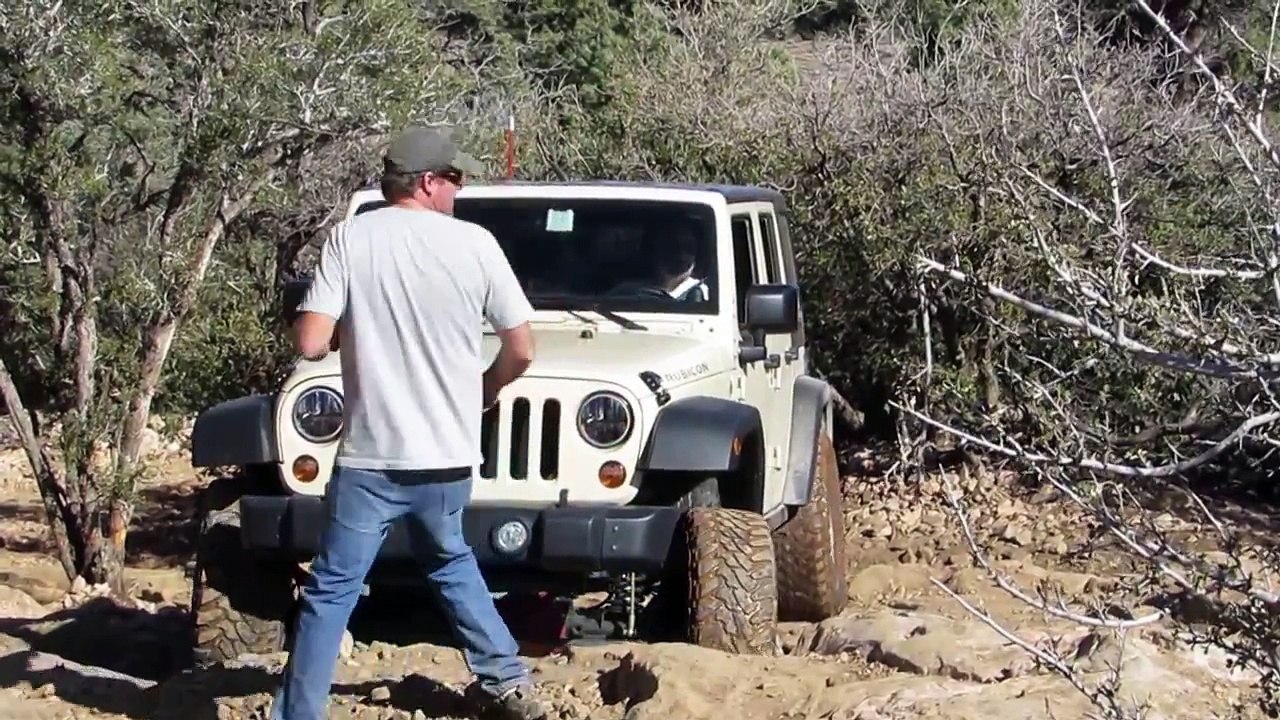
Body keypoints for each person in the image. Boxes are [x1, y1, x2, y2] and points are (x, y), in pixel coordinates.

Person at [270, 125, 548, 720]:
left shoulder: (351, 238)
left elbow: (312, 341)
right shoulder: (474, 244)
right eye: (455, 178)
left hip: (371, 457)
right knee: (449, 561)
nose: (459, 189)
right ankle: (506, 680)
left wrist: (356, 330)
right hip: (447, 456)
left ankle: (300, 714)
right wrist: (486, 389)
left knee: (333, 589)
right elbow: (522, 349)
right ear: (427, 182)